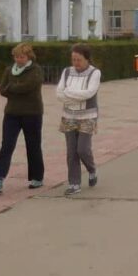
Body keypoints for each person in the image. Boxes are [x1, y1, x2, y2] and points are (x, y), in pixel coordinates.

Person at [0, 42, 44, 193]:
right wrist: (13, 88)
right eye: (16, 57)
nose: (19, 60)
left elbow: (28, 87)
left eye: (22, 57)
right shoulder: (9, 70)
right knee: (7, 145)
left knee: (33, 145)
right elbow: (2, 89)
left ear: (28, 56)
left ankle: (37, 177)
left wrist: (12, 87)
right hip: (12, 113)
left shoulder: (35, 70)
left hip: (32, 113)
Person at [56, 43, 102, 196]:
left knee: (82, 149)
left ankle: (91, 169)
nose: (75, 63)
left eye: (79, 60)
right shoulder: (67, 72)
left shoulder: (94, 73)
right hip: (69, 116)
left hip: (88, 116)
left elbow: (89, 93)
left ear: (87, 59)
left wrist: (69, 93)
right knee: (71, 152)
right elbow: (59, 93)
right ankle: (74, 183)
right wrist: (73, 96)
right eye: (73, 59)